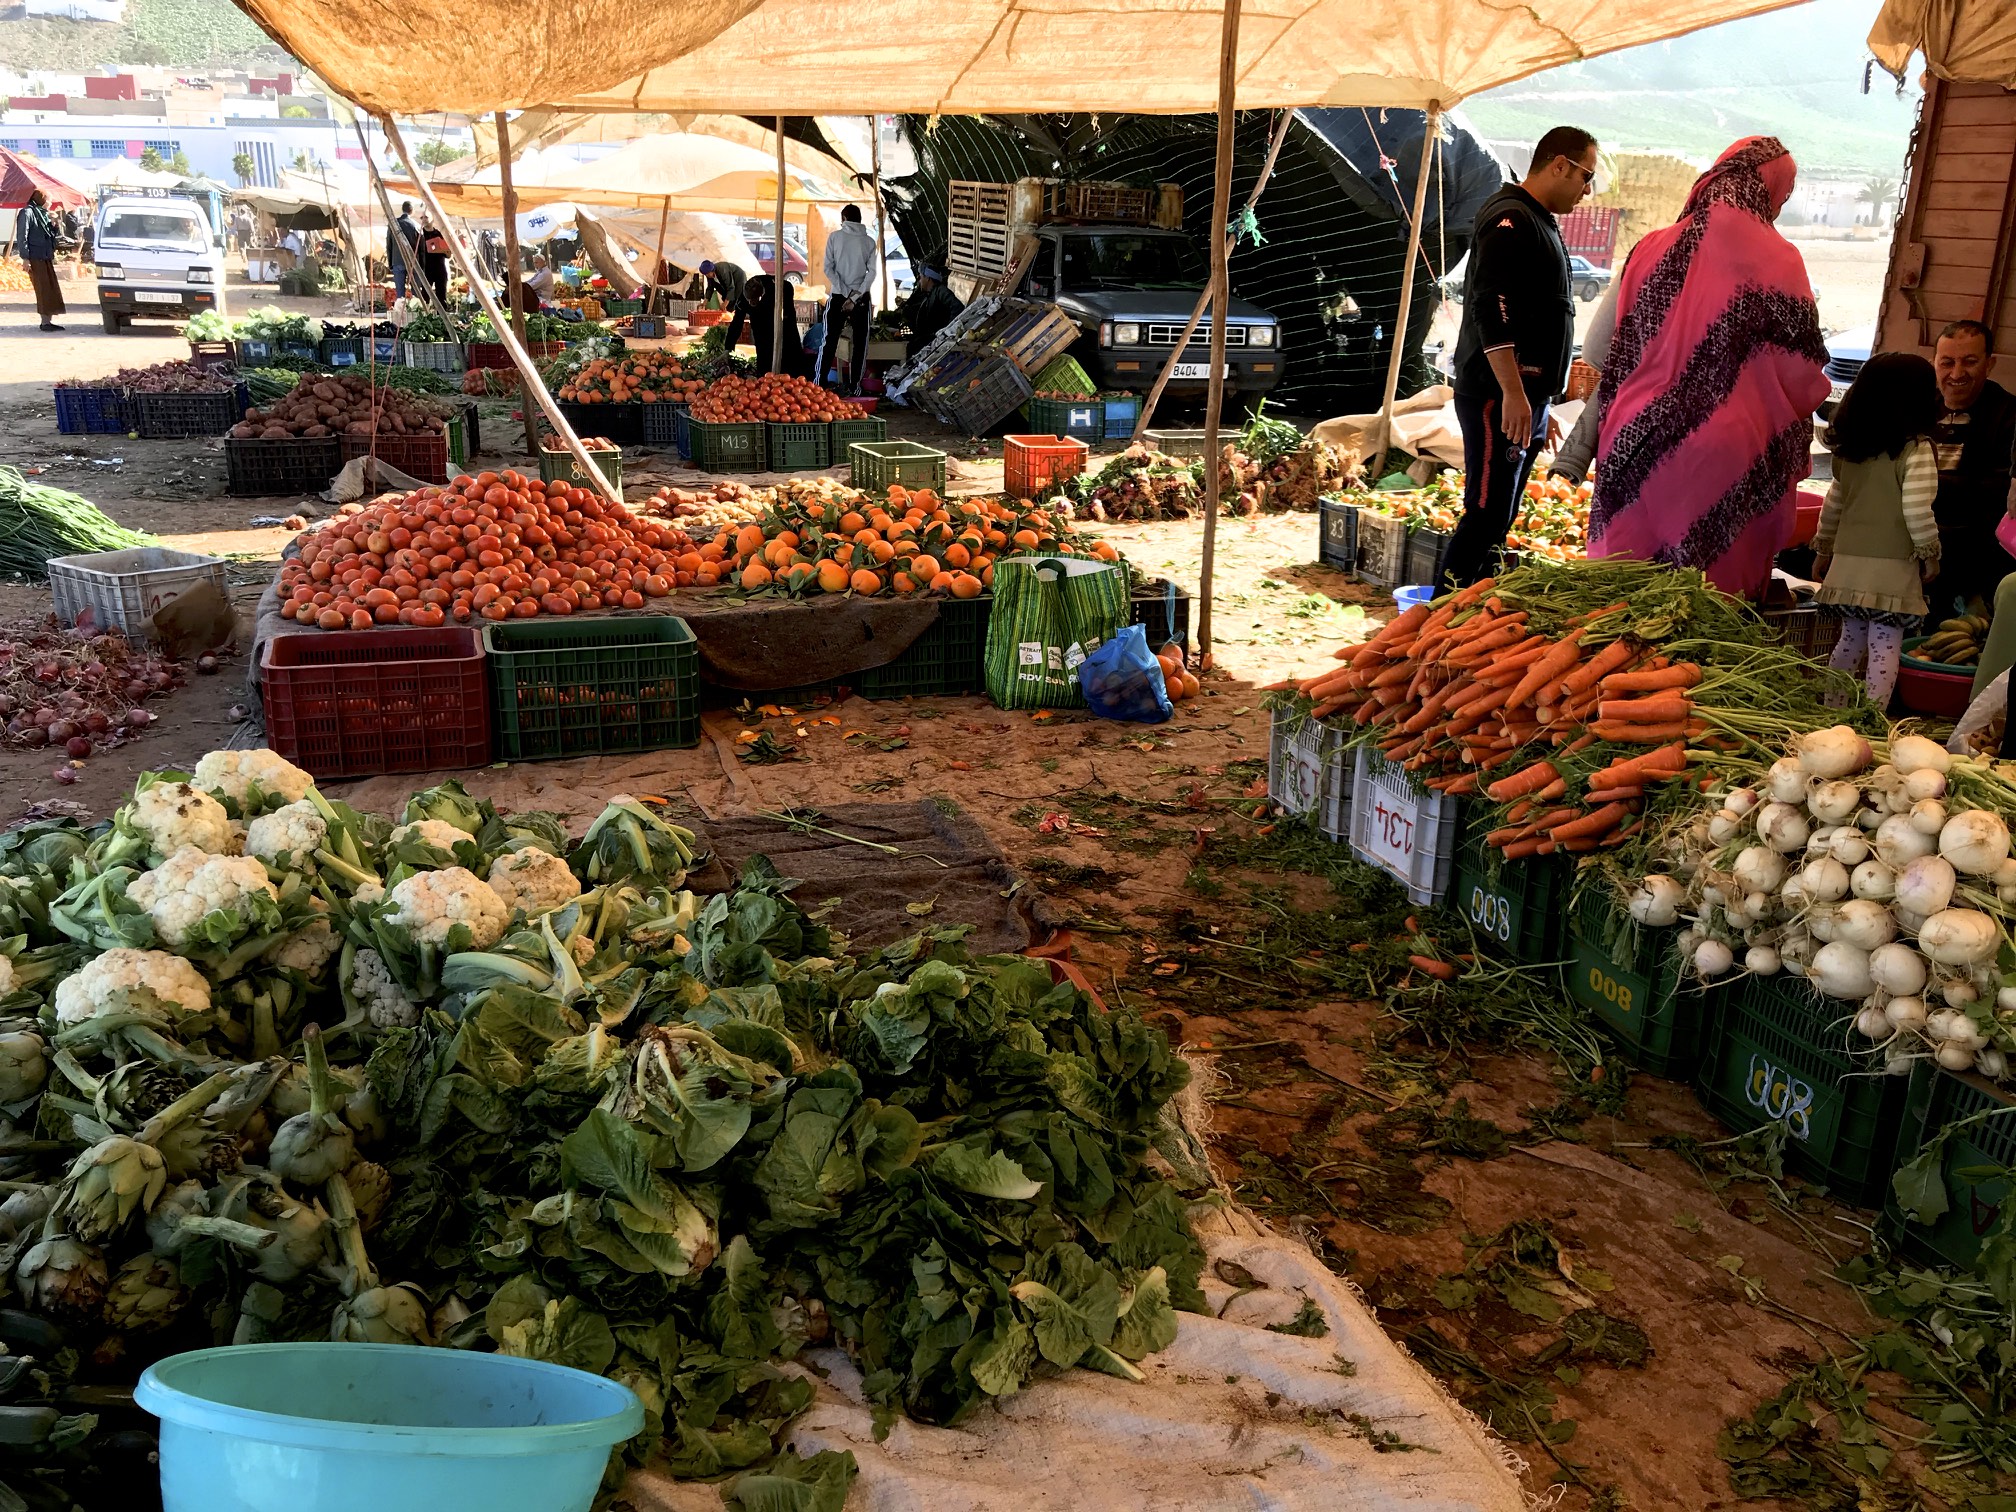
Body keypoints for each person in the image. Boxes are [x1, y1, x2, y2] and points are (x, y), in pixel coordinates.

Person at [1588, 136, 1829, 598]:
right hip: (1725, 453)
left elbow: (1601, 353)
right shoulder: (1780, 260)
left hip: (1633, 438)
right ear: (1767, 187)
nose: (1782, 201)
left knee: (1618, 595)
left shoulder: (1651, 246)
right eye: (1785, 191)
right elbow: (1803, 374)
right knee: (1707, 606)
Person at [1442, 127, 1596, 587]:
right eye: (1585, 175)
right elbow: (1493, 306)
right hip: (1496, 394)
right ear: (1559, 164)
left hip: (1524, 398)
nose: (1587, 191)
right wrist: (1513, 391)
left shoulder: (1538, 218)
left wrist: (1540, 400)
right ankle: (1439, 612)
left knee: (1501, 518)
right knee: (1486, 514)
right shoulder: (1511, 218)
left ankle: (1470, 612)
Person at [1811, 353, 1942, 708]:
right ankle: (1871, 716)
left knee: (1848, 641)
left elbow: (1833, 506)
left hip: (1848, 563)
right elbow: (1917, 511)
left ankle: (1831, 708)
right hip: (1891, 567)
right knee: (1885, 645)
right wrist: (1930, 554)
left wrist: (1824, 550)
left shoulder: (1850, 451)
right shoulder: (1916, 451)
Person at [1921, 319, 2016, 616]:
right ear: (1933, 362)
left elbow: (1996, 493)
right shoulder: (1918, 407)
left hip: (1978, 551)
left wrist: (1928, 485)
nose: (1956, 374)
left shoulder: (2009, 415)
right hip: (1918, 541)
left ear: (1990, 364)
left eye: (1970, 362)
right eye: (1947, 362)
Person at [820, 205, 877, 392]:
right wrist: (855, 296)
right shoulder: (869, 242)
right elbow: (872, 273)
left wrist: (845, 293)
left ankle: (819, 385)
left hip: (838, 296)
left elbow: (828, 268)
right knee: (861, 343)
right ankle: (855, 387)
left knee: (829, 341)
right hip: (860, 299)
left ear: (844, 218)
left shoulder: (835, 237)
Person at [725, 273, 811, 378]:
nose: (752, 302)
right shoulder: (742, 300)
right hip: (758, 322)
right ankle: (765, 375)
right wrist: (728, 347)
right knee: (763, 349)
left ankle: (793, 375)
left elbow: (789, 316)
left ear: (762, 294)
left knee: (789, 341)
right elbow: (736, 323)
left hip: (777, 315)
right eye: (750, 301)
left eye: (755, 300)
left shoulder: (778, 287)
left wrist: (786, 319)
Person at [13, 190, 65, 332]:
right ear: (42, 200)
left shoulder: (43, 214)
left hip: (46, 256)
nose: (50, 203)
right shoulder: (27, 213)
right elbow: (22, 236)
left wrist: (54, 223)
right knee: (42, 289)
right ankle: (44, 323)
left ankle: (48, 321)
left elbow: (52, 236)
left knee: (50, 288)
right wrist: (25, 258)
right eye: (49, 200)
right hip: (35, 257)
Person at [899, 265, 963, 358]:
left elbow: (957, 307)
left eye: (921, 277)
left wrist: (948, 329)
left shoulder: (941, 291)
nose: (920, 281)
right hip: (929, 338)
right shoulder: (930, 293)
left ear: (928, 278)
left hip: (937, 339)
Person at [387, 200, 420, 301]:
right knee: (415, 292)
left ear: (402, 209)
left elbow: (389, 244)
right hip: (412, 261)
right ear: (412, 211)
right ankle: (414, 311)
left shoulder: (394, 224)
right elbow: (419, 246)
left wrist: (390, 262)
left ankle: (400, 311)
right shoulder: (415, 225)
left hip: (397, 260)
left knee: (400, 292)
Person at [416, 216, 452, 306]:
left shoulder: (439, 234)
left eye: (426, 217)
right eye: (422, 218)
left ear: (432, 218)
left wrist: (444, 250)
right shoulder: (419, 235)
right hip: (426, 269)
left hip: (440, 268)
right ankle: (425, 316)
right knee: (425, 295)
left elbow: (448, 254)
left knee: (441, 294)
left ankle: (441, 316)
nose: (423, 219)